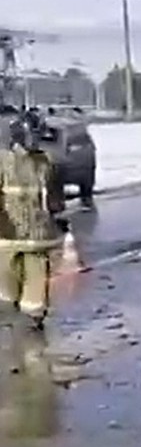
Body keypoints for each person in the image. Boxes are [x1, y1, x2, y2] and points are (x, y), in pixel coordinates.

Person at [0, 113, 65, 331]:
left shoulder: (43, 162)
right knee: (16, 289)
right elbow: (56, 201)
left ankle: (26, 325)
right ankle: (25, 324)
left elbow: (55, 199)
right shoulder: (38, 162)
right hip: (17, 236)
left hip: (21, 237)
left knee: (20, 289)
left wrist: (57, 216)